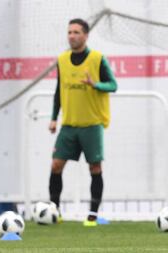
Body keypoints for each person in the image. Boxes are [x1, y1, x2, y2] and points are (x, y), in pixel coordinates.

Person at [48, 18, 117, 227]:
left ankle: (93, 214)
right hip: (69, 125)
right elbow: (59, 91)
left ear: (85, 35)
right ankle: (54, 211)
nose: (72, 36)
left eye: (76, 32)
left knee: (95, 167)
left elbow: (113, 85)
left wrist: (95, 84)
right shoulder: (62, 59)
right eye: (69, 32)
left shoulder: (97, 59)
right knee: (56, 165)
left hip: (92, 124)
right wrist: (53, 118)